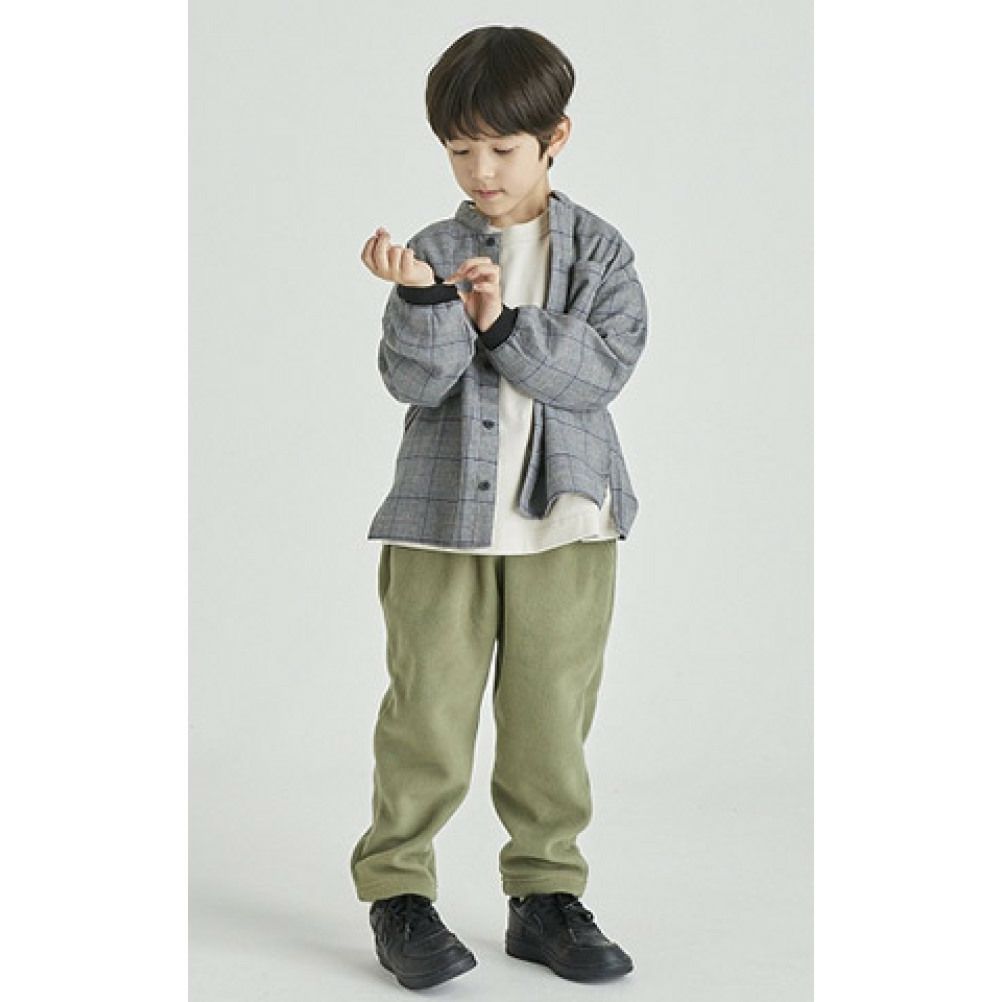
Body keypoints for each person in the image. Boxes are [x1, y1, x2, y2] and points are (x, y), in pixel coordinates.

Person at [350, 24, 648, 990]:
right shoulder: (433, 251)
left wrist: (503, 321)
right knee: (426, 718)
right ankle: (399, 894)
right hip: (442, 523)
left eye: (502, 148)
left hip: (570, 521)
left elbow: (599, 373)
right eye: (459, 149)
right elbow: (416, 382)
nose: (480, 171)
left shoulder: (600, 252)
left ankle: (545, 896)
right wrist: (426, 302)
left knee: (550, 721)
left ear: (556, 137)